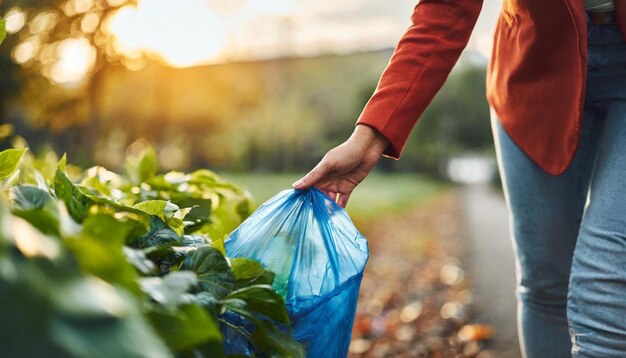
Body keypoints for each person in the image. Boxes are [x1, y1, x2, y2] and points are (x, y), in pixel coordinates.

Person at [292, 1, 626, 357]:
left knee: (604, 282)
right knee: (544, 285)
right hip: (533, 74)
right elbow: (447, 10)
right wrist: (368, 137)